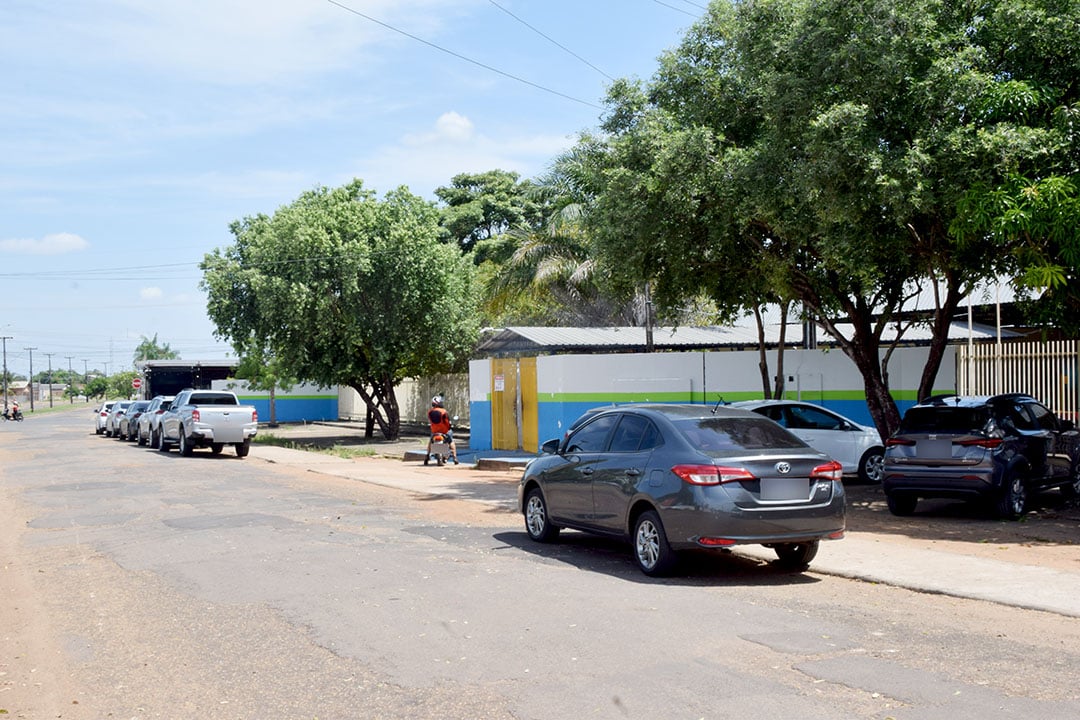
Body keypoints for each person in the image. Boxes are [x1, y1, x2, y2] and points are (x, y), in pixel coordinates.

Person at [425, 395, 459, 465]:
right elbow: (447, 422)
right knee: (451, 441)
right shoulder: (444, 412)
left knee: (430, 441)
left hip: (434, 431)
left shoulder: (430, 412)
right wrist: (449, 426)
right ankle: (455, 457)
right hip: (444, 431)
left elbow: (431, 421)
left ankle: (427, 456)